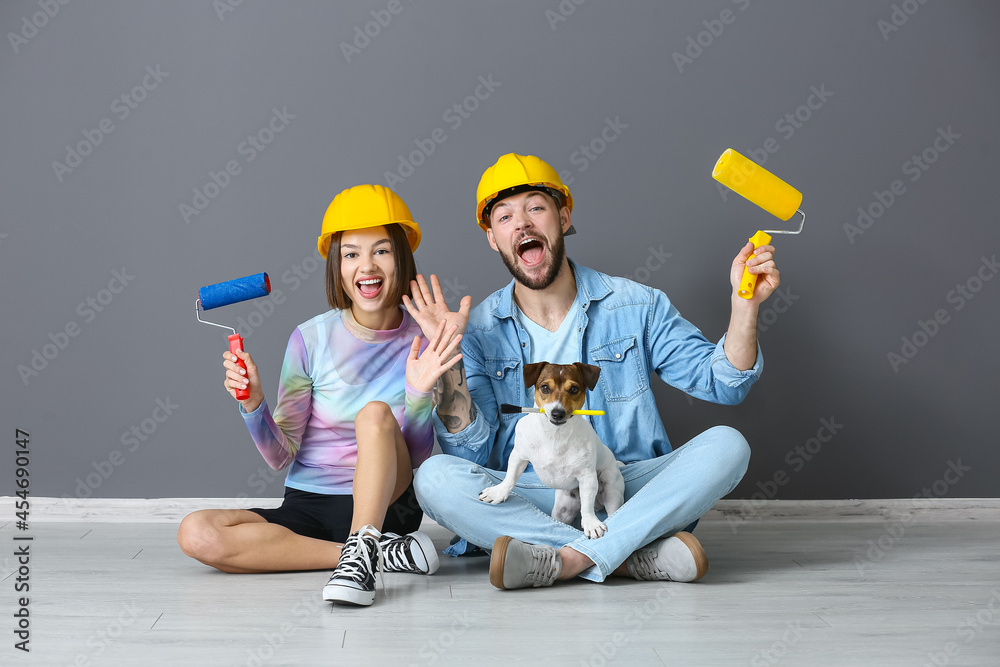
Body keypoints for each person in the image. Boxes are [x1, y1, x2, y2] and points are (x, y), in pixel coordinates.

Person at [410, 153, 780, 590]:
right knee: (434, 479)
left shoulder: (638, 305)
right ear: (493, 238)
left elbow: (723, 384)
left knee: (727, 446)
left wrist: (744, 309)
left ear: (563, 216)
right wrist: (447, 361)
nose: (522, 224)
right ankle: (627, 556)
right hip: (535, 495)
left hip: (627, 484)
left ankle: (564, 559)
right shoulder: (478, 330)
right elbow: (471, 459)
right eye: (505, 216)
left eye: (536, 207)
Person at [177, 184, 464, 607]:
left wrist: (420, 394)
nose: (366, 266)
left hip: (389, 505)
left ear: (402, 257)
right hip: (309, 503)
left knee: (374, 415)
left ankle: (367, 542)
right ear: (337, 265)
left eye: (381, 251)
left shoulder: (428, 336)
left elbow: (422, 461)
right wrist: (252, 404)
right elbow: (281, 456)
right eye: (351, 254)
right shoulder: (309, 337)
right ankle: (371, 556)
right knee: (196, 532)